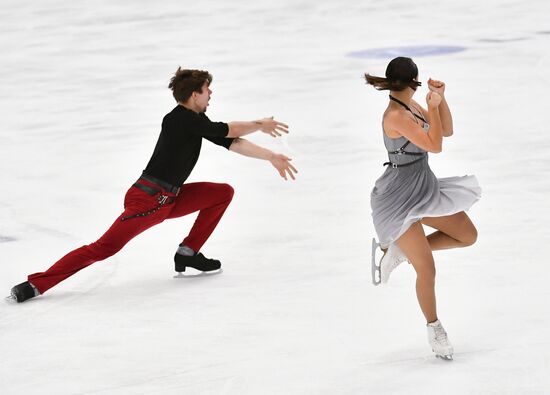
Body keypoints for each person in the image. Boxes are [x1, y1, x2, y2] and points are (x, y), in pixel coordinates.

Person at [9, 67, 298, 303]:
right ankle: (36, 284)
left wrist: (271, 155)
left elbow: (232, 141)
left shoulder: (196, 119)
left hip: (167, 200)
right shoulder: (179, 120)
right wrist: (260, 123)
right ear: (195, 94)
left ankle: (188, 253)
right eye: (208, 90)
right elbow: (231, 130)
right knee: (102, 248)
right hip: (148, 201)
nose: (211, 94)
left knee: (222, 193)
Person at [365, 57, 481, 360]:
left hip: (422, 186)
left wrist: (440, 101)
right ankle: (435, 329)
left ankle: (400, 252)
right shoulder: (396, 115)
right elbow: (435, 145)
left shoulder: (411, 106)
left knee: (467, 235)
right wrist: (432, 106)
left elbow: (447, 131)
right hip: (398, 197)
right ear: (414, 81)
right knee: (426, 268)